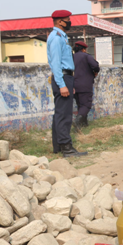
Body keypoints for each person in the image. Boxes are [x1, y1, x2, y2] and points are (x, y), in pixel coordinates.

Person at [46, 10, 87, 157]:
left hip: (66, 78)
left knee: (60, 113)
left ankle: (59, 146)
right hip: (62, 78)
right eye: (67, 20)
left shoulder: (60, 37)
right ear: (59, 22)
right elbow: (56, 64)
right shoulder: (56, 38)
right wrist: (62, 84)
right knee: (64, 115)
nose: (69, 22)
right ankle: (67, 148)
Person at [72, 41, 100, 128]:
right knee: (86, 105)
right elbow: (95, 66)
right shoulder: (86, 56)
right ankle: (77, 121)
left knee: (80, 104)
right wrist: (95, 72)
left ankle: (84, 123)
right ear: (83, 49)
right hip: (85, 85)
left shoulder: (71, 57)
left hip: (73, 85)